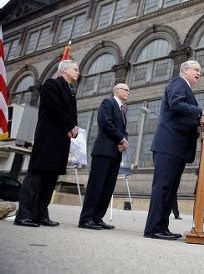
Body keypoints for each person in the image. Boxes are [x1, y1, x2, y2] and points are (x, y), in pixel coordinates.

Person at [144, 60, 204, 240]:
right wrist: (201, 112)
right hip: (168, 146)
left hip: (176, 148)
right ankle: (153, 228)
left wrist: (199, 129)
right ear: (185, 70)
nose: (199, 73)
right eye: (196, 70)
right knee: (163, 187)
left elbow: (183, 115)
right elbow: (176, 105)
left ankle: (162, 227)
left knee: (170, 190)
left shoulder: (186, 88)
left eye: (201, 71)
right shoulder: (178, 84)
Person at [14, 60, 79, 227]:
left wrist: (75, 126)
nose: (78, 72)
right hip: (48, 137)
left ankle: (41, 214)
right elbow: (54, 107)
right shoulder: (52, 84)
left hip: (61, 139)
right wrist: (70, 125)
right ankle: (24, 215)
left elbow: (72, 113)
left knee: (51, 177)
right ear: (64, 70)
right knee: (36, 176)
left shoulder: (71, 90)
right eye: (75, 69)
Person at [78, 84, 130, 230]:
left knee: (108, 187)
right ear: (116, 91)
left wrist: (124, 140)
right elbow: (105, 123)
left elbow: (122, 130)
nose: (128, 92)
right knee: (96, 185)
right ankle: (86, 218)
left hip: (115, 153)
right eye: (126, 90)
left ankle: (97, 217)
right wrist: (121, 138)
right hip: (103, 151)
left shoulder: (123, 110)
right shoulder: (108, 103)